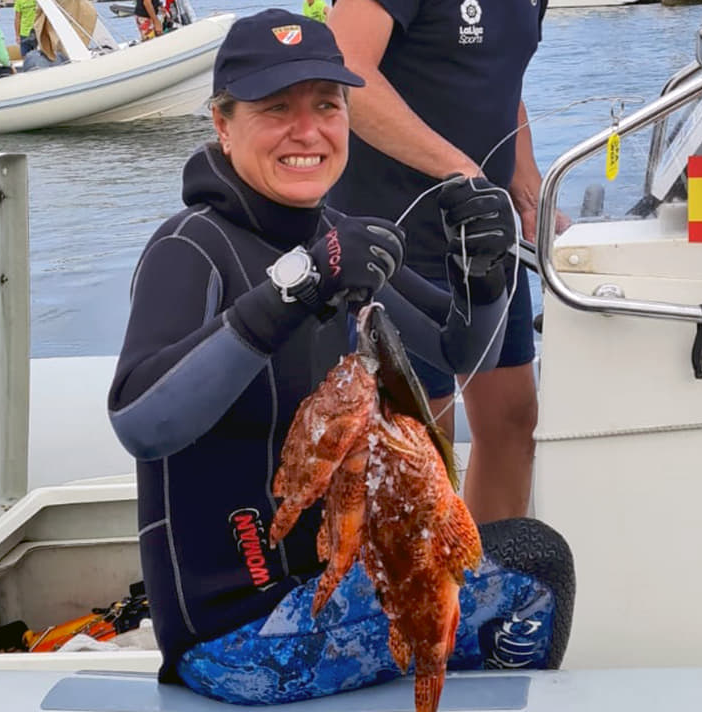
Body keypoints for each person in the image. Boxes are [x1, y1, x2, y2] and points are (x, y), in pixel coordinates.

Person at [108, 9, 574, 706]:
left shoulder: (340, 239)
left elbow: (453, 354)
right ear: (222, 124)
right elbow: (142, 422)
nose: (307, 130)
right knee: (536, 570)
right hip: (237, 637)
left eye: (327, 106)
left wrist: (483, 279)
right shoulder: (191, 249)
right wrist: (293, 288)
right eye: (275, 109)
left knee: (512, 553)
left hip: (331, 589)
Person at [328, 0, 570, 524]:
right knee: (418, 452)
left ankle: (486, 585)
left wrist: (525, 182)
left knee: (512, 422)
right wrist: (459, 169)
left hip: (484, 240)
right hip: (394, 245)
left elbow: (501, 82)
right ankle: (423, 600)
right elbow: (345, 69)